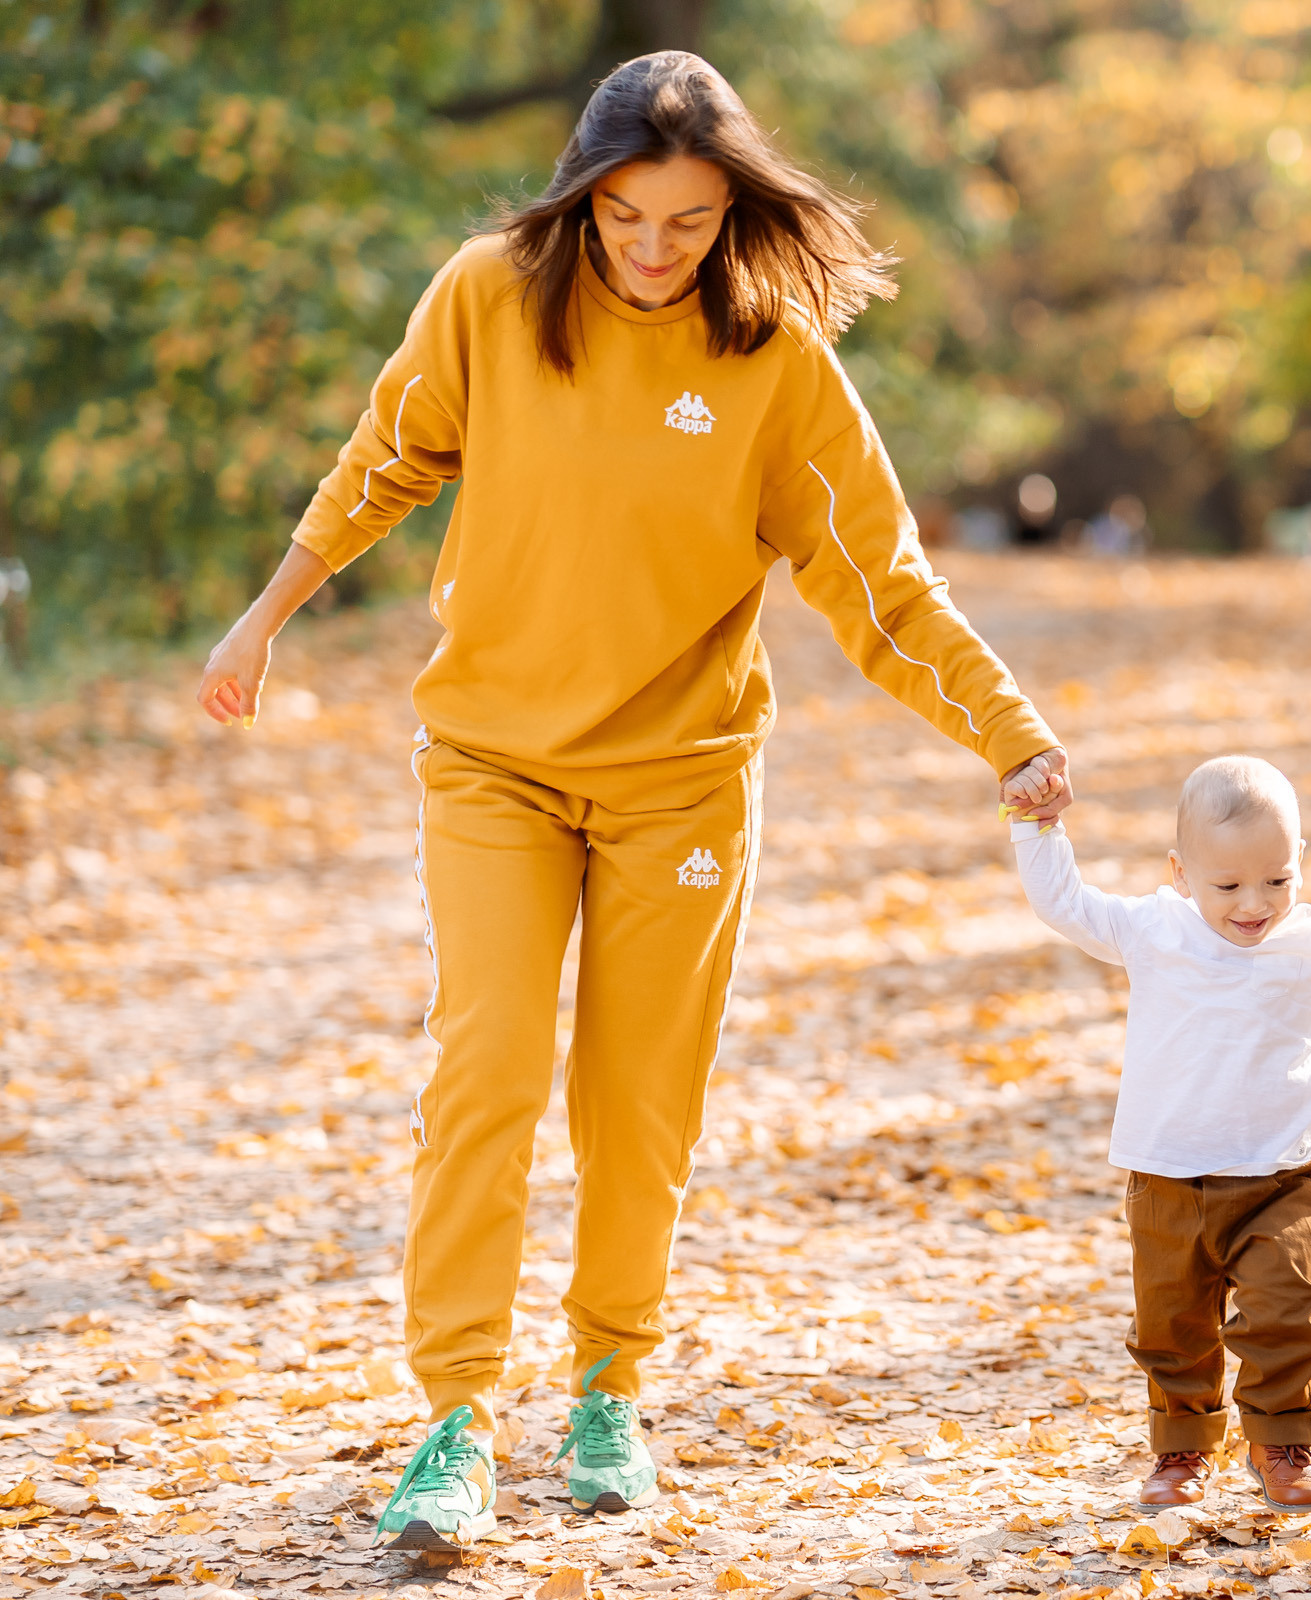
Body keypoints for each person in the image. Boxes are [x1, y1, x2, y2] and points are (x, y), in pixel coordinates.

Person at [193, 52, 1072, 1552]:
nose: (656, 250)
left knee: (637, 1105)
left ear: (733, 211)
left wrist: (1008, 730)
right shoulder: (487, 296)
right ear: (583, 195)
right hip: (493, 762)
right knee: (486, 1071)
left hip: (682, 784)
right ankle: (457, 1418)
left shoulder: (778, 360)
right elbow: (382, 462)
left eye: (691, 220)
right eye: (627, 217)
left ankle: (608, 1384)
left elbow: (879, 583)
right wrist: (266, 613)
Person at [1008, 758, 1311, 1509]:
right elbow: (1065, 902)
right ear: (1180, 872)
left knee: (1285, 1312)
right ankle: (1181, 1448)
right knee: (1173, 1326)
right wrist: (1037, 825)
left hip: (1280, 1174)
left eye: (1276, 879)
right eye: (1227, 886)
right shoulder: (1152, 929)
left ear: (1300, 866)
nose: (1253, 904)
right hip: (1168, 1174)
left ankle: (1282, 1441)